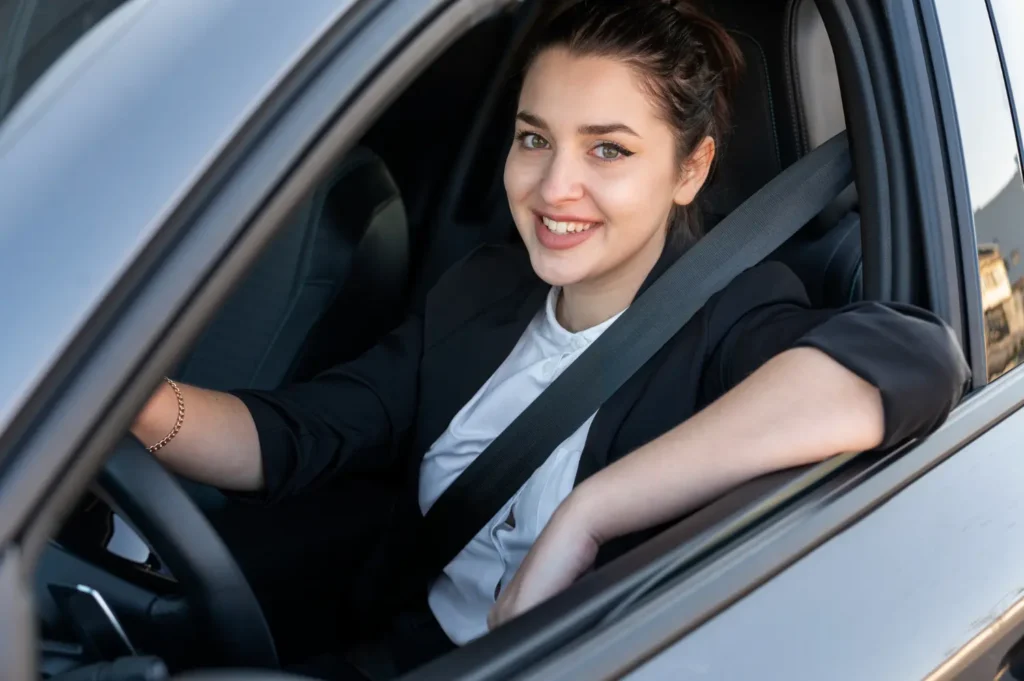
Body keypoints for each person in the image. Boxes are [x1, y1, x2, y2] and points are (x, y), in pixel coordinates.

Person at [131, 0, 970, 677]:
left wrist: (590, 511)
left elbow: (916, 358)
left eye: (608, 149)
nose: (552, 185)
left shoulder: (736, 316)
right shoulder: (481, 294)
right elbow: (298, 435)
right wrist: (140, 408)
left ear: (690, 169)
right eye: (534, 137)